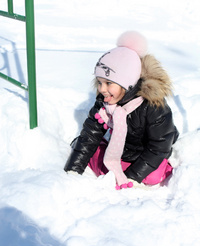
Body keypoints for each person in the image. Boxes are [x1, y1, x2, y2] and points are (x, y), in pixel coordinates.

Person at [64, 31, 179, 190]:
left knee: (152, 176)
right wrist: (73, 169)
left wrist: (131, 177)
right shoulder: (105, 102)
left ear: (127, 83)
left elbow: (159, 146)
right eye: (99, 82)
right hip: (122, 150)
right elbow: (90, 134)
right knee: (105, 167)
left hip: (148, 151)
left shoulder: (153, 106)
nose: (102, 89)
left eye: (109, 83)